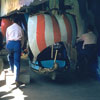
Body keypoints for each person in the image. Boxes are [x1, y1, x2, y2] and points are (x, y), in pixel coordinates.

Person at [6, 16, 24, 87]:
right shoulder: (20, 28)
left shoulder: (8, 28)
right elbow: (22, 39)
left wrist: (8, 46)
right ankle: (16, 79)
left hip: (9, 44)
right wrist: (21, 46)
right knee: (17, 61)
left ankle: (12, 70)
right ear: (18, 22)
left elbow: (7, 39)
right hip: (17, 44)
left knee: (10, 56)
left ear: (12, 21)